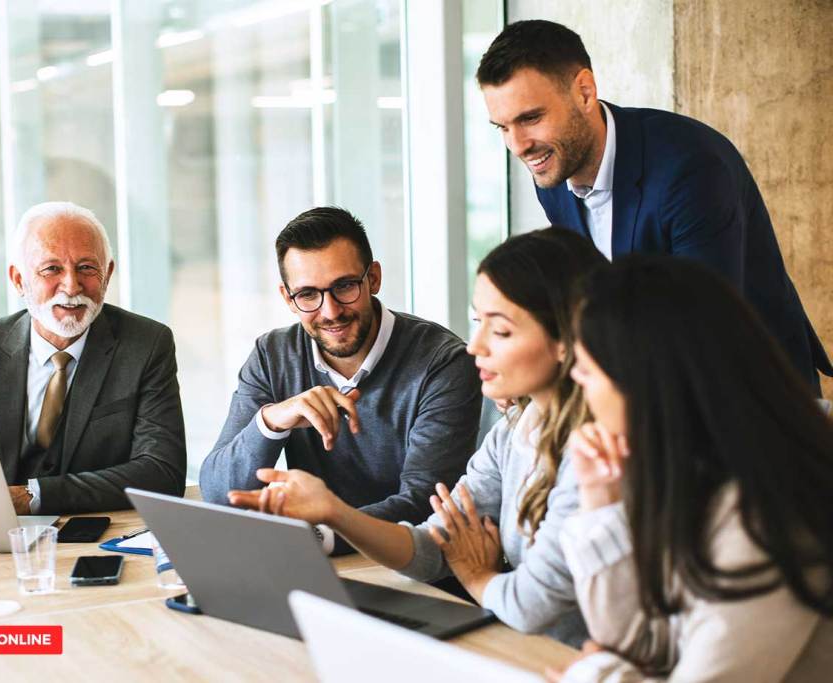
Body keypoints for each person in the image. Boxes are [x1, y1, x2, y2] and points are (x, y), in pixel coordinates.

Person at [229, 228, 609, 647]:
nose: (475, 347)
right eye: (478, 323)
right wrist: (333, 512)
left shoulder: (597, 452)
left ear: (565, 340)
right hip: (533, 654)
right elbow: (433, 546)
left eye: (500, 331)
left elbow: (528, 604)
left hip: (568, 661)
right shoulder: (513, 431)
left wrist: (477, 577)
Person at [476, 19, 831, 392]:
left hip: (752, 391)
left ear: (584, 92)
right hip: (646, 387)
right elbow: (587, 297)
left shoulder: (690, 167)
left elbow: (706, 323)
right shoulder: (553, 170)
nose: (518, 146)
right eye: (502, 127)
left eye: (531, 118)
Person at [551, 255, 833, 682]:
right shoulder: (694, 473)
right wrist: (600, 501)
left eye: (587, 370)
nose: (574, 378)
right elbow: (641, 645)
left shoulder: (768, 512)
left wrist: (595, 673)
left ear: (646, 382)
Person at [200, 207, 482, 555]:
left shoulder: (443, 362)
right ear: (288, 298)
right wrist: (272, 420)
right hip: (318, 564)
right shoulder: (272, 355)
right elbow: (218, 493)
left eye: (345, 286)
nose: (331, 311)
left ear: (373, 278)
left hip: (410, 567)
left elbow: (425, 502)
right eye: (308, 294)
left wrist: (319, 535)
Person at [0, 201, 186, 514]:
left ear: (107, 274)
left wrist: (32, 496)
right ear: (18, 280)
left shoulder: (146, 345)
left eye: (86, 268)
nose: (72, 286)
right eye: (52, 269)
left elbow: (162, 473)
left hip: (96, 531)